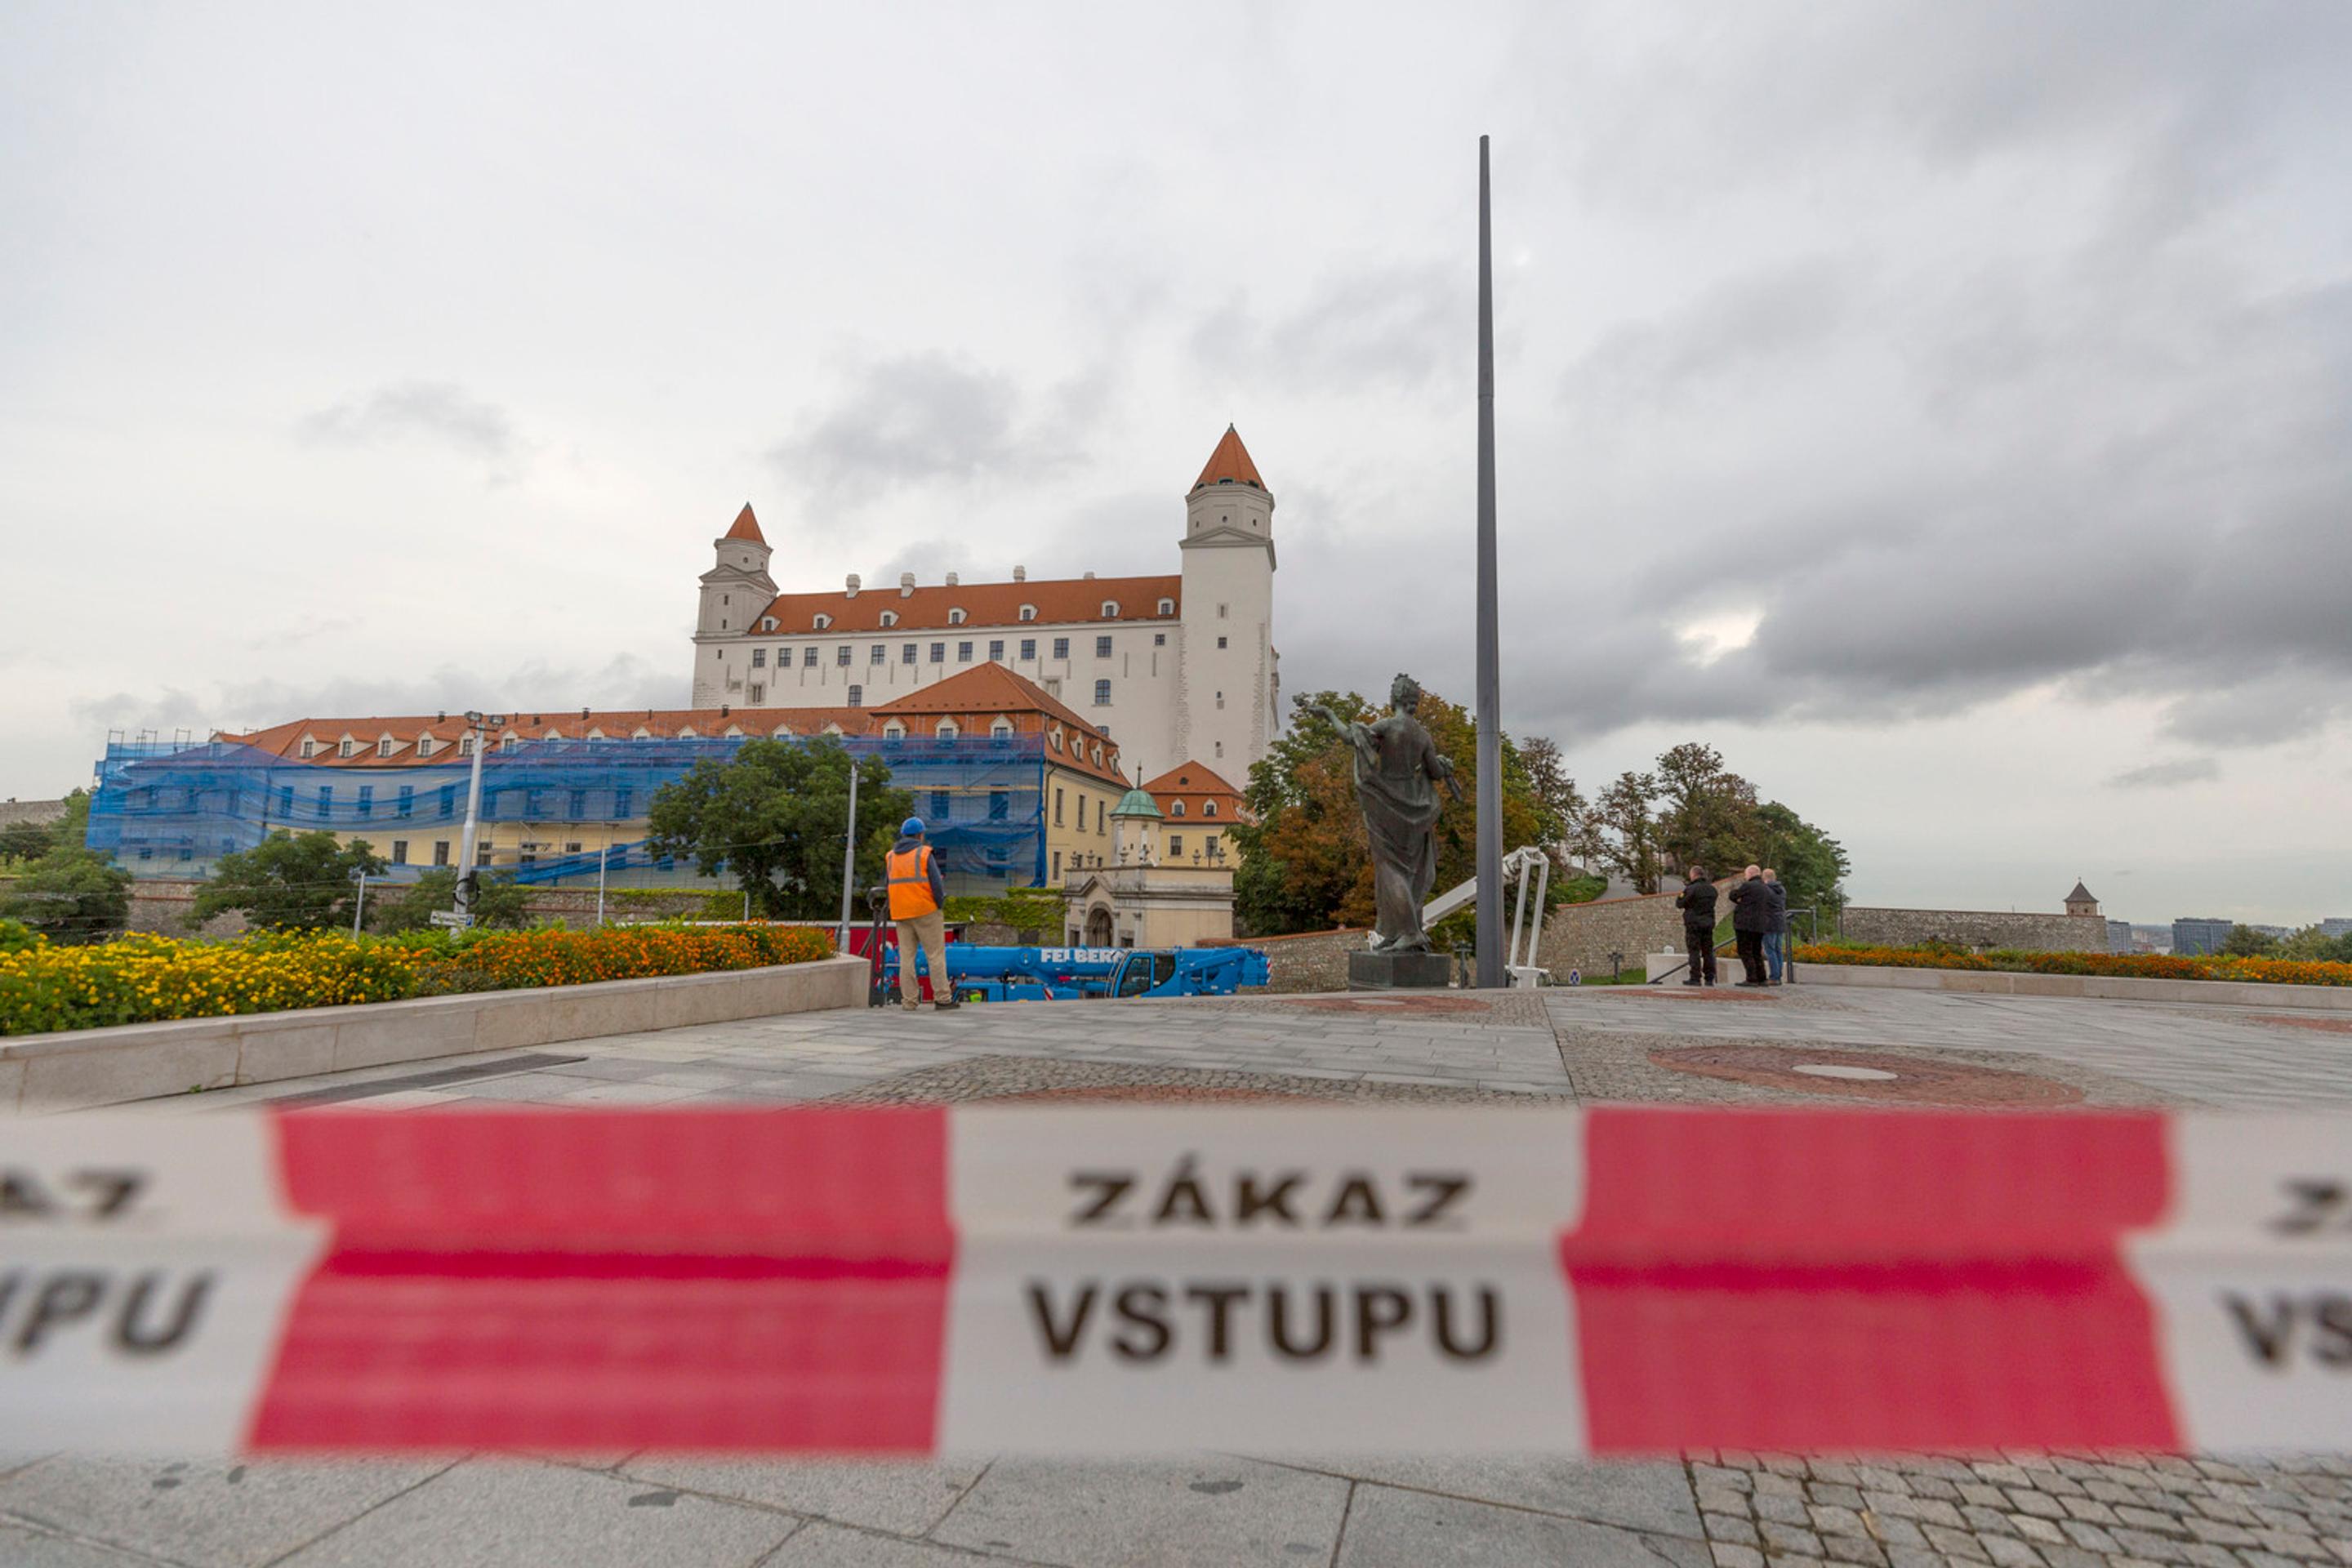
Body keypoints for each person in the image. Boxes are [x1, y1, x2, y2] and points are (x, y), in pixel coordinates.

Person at [885, 816, 956, 1012]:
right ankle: (942, 999)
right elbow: (936, 883)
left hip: (901, 912)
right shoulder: (924, 853)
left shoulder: (891, 857)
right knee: (935, 955)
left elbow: (888, 884)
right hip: (925, 910)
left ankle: (909, 1001)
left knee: (906, 958)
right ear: (920, 835)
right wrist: (939, 904)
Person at [1727, 862, 1771, 987]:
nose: (1745, 877)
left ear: (1751, 873)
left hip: (1745, 924)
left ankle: (1751, 978)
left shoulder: (1748, 885)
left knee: (1745, 950)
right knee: (1756, 951)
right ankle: (1762, 978)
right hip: (1760, 924)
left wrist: (1739, 900)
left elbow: (1733, 895)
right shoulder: (1765, 887)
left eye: (1746, 874)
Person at [1673, 865, 1717, 986]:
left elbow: (1679, 903)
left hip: (1694, 924)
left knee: (1694, 951)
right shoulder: (1712, 889)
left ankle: (1695, 977)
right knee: (1708, 951)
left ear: (1693, 875)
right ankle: (1710, 978)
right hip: (1708, 923)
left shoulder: (1691, 889)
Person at [1762, 867, 1788, 985]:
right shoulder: (1782, 889)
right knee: (1778, 950)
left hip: (1769, 923)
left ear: (1764, 878)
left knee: (1770, 950)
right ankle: (1778, 976)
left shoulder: (1766, 890)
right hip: (1780, 922)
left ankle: (1774, 977)